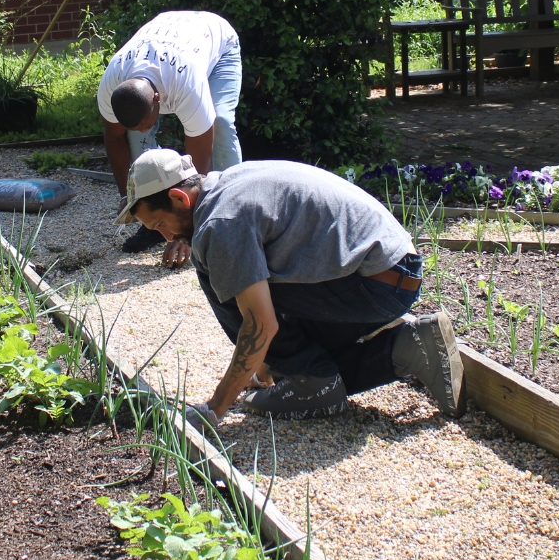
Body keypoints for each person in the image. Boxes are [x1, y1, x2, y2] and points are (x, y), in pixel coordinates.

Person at [117, 149, 465, 426]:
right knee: (248, 286)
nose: (166, 237)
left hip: (378, 287)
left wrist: (214, 410)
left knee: (218, 273)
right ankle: (406, 346)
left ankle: (312, 384)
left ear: (180, 197)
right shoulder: (227, 182)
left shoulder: (220, 224)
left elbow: (261, 325)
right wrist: (268, 366)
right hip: (395, 273)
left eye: (160, 224)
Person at [98, 11, 242, 259]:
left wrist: (189, 230)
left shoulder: (187, 86)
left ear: (158, 100)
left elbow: (199, 167)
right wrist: (130, 198)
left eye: (146, 123)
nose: (144, 130)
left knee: (220, 122)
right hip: (169, 46)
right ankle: (156, 217)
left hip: (219, 49)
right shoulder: (111, 84)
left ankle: (235, 216)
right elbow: (115, 140)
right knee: (133, 138)